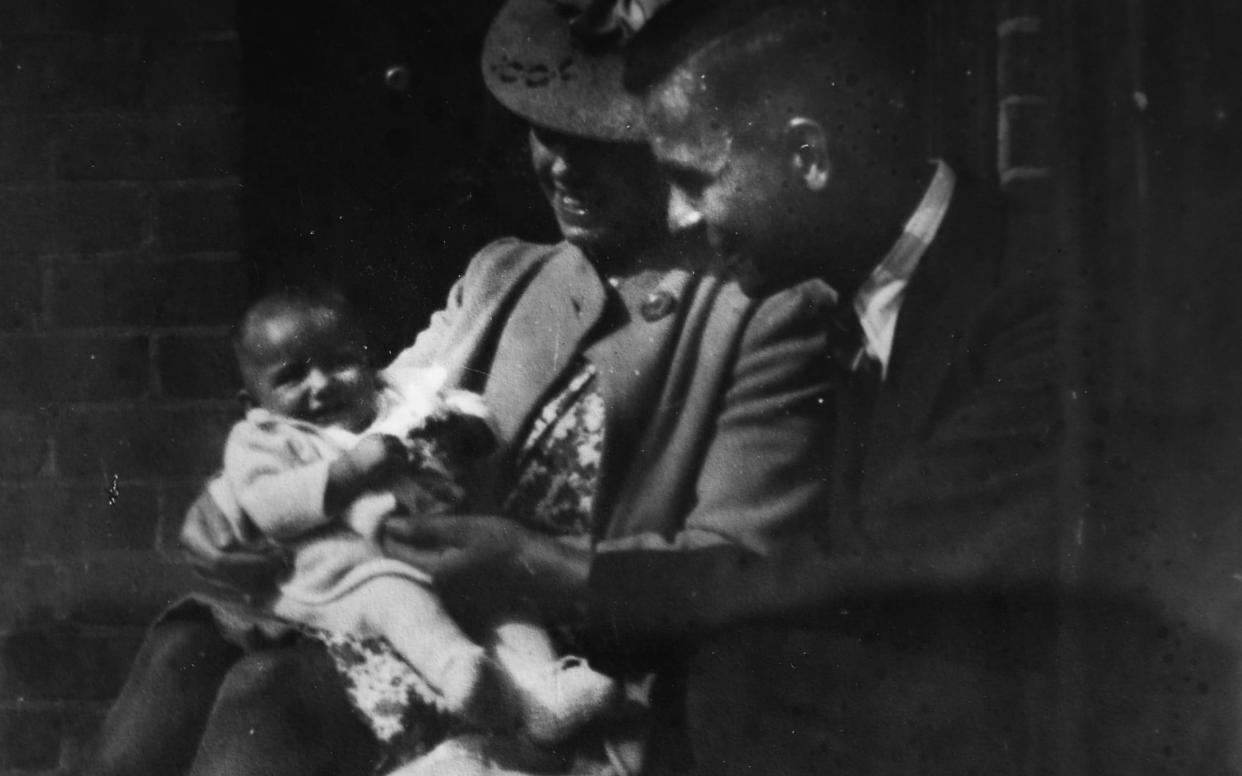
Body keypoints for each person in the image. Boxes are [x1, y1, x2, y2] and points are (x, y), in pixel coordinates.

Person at [89, 0, 837, 773]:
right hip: (410, 612)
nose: (564, 167)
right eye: (548, 134)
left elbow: (736, 567)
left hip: (561, 673)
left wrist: (525, 560)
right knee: (186, 646)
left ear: (674, 134)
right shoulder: (504, 276)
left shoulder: (763, 310)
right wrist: (233, 505)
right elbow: (370, 412)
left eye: (602, 143)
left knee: (271, 691)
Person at [391, 0, 1063, 773]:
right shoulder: (873, 296)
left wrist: (541, 566)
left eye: (694, 181)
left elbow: (863, 577)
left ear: (807, 156)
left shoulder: (1030, 310)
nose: (683, 217)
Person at [217, 287, 621, 744]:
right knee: (399, 598)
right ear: (252, 403)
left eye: (339, 362)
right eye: (292, 376)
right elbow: (270, 506)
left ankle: (545, 692)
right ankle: (466, 680)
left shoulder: (397, 395)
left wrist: (469, 429)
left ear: (370, 363)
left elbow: (451, 403)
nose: (322, 383)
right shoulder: (264, 439)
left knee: (500, 598)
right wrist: (346, 473)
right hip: (349, 575)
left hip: (443, 549)